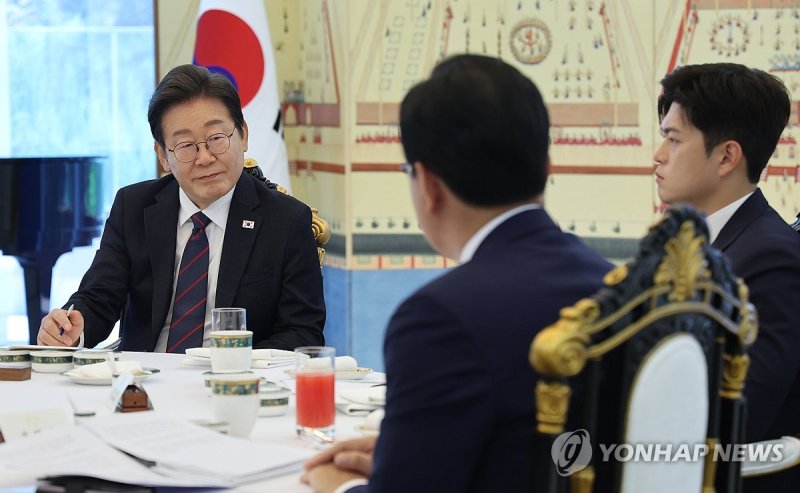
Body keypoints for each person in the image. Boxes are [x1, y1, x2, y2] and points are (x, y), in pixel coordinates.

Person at [302, 54, 612, 492]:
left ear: (427, 184)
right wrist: (406, 454)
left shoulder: (438, 319)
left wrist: (339, 485)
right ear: (545, 166)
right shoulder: (610, 281)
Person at [36, 64, 325, 352]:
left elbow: (302, 332)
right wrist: (71, 328)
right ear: (163, 155)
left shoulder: (285, 221)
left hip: (234, 385)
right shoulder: (134, 208)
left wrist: (234, 367)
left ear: (243, 135)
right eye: (186, 146)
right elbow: (98, 297)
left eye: (216, 139)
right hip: (145, 384)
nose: (204, 158)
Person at [654, 62, 800, 490]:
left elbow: (742, 418)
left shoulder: (772, 259)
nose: (658, 154)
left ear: (727, 156)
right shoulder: (699, 245)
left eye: (673, 139)